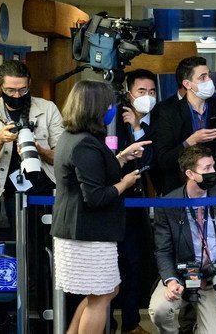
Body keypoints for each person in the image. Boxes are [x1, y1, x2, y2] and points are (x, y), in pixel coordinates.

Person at [50, 80, 152, 334]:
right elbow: (95, 196)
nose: (111, 109)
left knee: (105, 292)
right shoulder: (84, 143)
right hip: (87, 233)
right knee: (102, 296)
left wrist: (121, 157)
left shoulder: (74, 137)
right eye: (108, 104)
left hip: (85, 232)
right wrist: (125, 183)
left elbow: (94, 172)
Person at [0, 60, 63, 328]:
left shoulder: (46, 109)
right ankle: (11, 318)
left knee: (45, 256)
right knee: (16, 257)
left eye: (22, 90)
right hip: (7, 195)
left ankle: (49, 313)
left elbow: (63, 157)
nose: (16, 96)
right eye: (10, 90)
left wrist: (38, 148)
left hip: (45, 192)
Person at [148, 145, 216, 334]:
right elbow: (163, 250)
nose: (213, 172)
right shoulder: (169, 204)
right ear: (190, 173)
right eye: (206, 169)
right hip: (181, 278)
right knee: (160, 311)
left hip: (212, 279)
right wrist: (170, 281)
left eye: (213, 166)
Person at [111, 69, 158, 334]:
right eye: (141, 91)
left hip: (138, 206)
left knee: (135, 263)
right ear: (129, 93)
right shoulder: (112, 118)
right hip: (113, 202)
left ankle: (131, 322)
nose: (147, 97)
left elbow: (149, 160)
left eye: (152, 92)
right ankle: (108, 321)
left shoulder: (151, 122)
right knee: (111, 266)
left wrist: (137, 128)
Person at [153, 56, 216, 194]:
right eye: (202, 77)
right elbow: (164, 159)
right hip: (181, 188)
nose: (209, 81)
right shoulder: (168, 112)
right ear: (187, 84)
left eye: (209, 75)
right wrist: (190, 141)